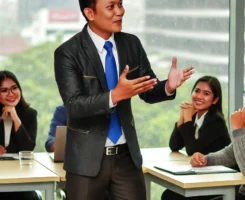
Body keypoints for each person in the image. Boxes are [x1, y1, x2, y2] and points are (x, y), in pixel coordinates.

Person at [54, 0, 194, 200]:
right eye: (111, 6)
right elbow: (74, 106)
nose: (120, 11)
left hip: (126, 158)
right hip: (85, 161)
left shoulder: (131, 44)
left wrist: (168, 86)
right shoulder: (68, 52)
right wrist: (115, 95)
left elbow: (147, 90)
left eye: (120, 4)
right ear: (89, 13)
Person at [161, 75, 231, 200]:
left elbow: (192, 150)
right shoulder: (195, 116)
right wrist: (182, 116)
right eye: (197, 91)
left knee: (172, 197)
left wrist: (187, 119)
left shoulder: (216, 121)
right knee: (168, 195)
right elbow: (174, 145)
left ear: (215, 100)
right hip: (200, 175)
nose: (199, 96)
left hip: (217, 181)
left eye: (206, 93)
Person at [0, 70, 39, 200]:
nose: (11, 94)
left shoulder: (30, 114)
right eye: (4, 90)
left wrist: (15, 117)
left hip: (20, 176)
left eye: (14, 88)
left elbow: (28, 148)